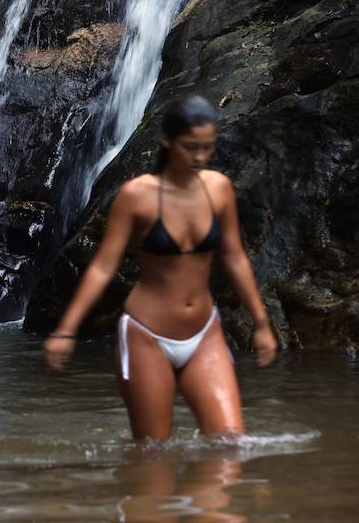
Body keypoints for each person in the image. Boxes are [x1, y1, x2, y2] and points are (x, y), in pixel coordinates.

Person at [44, 96, 277, 440]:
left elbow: (234, 257)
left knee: (229, 444)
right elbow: (103, 268)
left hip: (204, 333)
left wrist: (261, 323)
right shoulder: (136, 196)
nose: (200, 157)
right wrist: (66, 331)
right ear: (167, 140)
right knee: (152, 454)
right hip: (146, 335)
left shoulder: (219, 189)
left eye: (207, 148)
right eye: (190, 147)